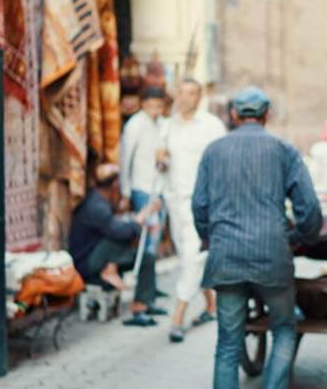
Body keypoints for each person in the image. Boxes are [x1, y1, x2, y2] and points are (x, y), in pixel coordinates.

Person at [192, 87, 323, 389]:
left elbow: (199, 206)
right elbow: (308, 208)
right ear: (266, 115)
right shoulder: (283, 150)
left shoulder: (213, 151)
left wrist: (211, 240)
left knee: (228, 344)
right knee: (284, 327)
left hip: (226, 258)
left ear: (234, 114)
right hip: (271, 257)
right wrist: (301, 237)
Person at [157, 78, 227, 343]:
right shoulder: (167, 126)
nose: (186, 98)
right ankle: (211, 305)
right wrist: (160, 159)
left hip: (202, 204)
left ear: (199, 97)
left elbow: (223, 163)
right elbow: (162, 163)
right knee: (192, 257)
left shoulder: (211, 126)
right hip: (175, 201)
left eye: (192, 93)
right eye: (182, 93)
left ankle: (178, 317)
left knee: (192, 258)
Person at [68, 164, 161, 325]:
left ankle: (142, 304)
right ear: (115, 184)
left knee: (147, 258)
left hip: (100, 256)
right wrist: (144, 214)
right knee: (121, 235)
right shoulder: (95, 206)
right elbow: (121, 232)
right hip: (87, 263)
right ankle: (109, 270)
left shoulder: (100, 201)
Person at [119, 86, 168, 324]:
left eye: (159, 106)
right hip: (142, 189)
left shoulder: (162, 125)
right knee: (146, 246)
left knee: (153, 244)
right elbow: (125, 158)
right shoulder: (135, 125)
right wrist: (126, 191)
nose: (155, 110)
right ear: (143, 104)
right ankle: (140, 302)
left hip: (159, 189)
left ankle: (149, 297)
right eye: (151, 105)